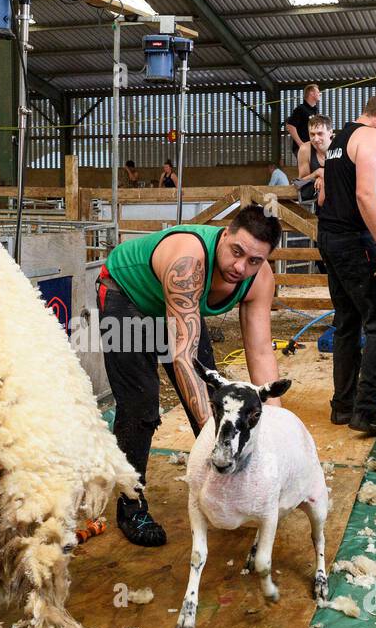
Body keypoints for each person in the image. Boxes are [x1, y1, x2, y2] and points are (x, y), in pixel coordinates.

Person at [98, 206, 282, 547]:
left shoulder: (259, 279)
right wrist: (217, 436)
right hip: (128, 296)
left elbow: (260, 353)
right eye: (236, 252)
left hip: (179, 311)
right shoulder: (189, 262)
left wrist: (275, 427)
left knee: (219, 402)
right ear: (224, 235)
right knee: (140, 408)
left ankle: (223, 491)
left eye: (254, 260)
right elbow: (182, 359)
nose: (241, 267)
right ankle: (131, 503)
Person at [316, 90, 376, 435]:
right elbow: (365, 194)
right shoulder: (370, 136)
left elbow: (334, 194)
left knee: (348, 322)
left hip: (331, 237)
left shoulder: (342, 136)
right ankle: (366, 410)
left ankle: (342, 406)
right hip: (354, 245)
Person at [296, 114, 332, 210]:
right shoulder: (305, 149)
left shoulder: (340, 148)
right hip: (313, 204)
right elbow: (301, 182)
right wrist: (317, 173)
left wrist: (325, 178)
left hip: (336, 203)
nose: (316, 139)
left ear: (330, 133)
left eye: (320, 134)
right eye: (312, 134)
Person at [285, 83, 321, 155]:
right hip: (303, 147)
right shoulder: (301, 109)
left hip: (313, 146)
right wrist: (300, 144)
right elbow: (290, 126)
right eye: (317, 92)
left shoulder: (316, 111)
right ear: (311, 93)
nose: (320, 94)